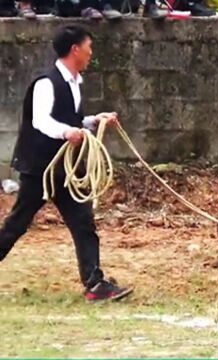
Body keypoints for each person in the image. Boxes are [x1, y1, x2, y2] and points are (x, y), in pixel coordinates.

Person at [0, 25, 133, 302]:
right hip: (41, 168)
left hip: (66, 169)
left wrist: (93, 121)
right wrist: (67, 132)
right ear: (75, 49)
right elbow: (41, 120)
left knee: (84, 223)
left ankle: (95, 284)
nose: (90, 53)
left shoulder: (74, 84)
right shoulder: (46, 83)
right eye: (89, 47)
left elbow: (71, 121)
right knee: (17, 224)